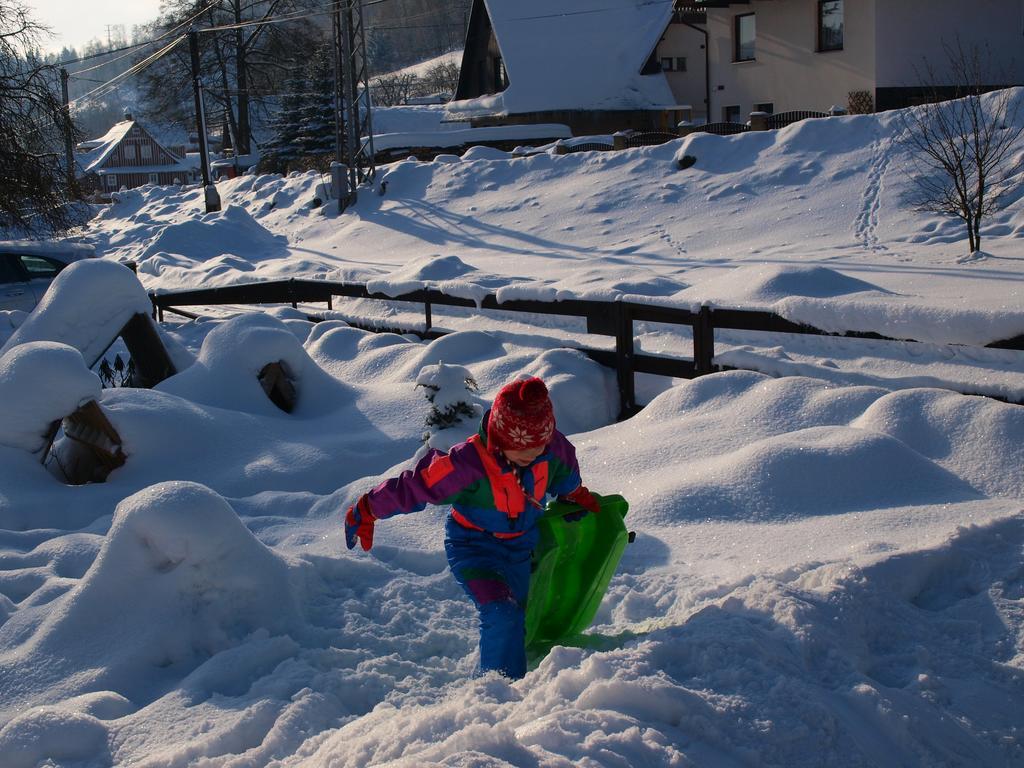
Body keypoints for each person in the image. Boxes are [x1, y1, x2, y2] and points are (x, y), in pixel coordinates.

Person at [344, 376, 600, 679]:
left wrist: (574, 495)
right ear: (502, 439)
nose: (534, 455)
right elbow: (417, 486)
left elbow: (564, 472)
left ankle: (514, 670)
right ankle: (496, 691)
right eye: (524, 450)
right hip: (474, 547)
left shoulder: (550, 448)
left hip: (520, 547)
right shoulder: (468, 465)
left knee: (518, 613)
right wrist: (369, 508)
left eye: (540, 446)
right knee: (501, 613)